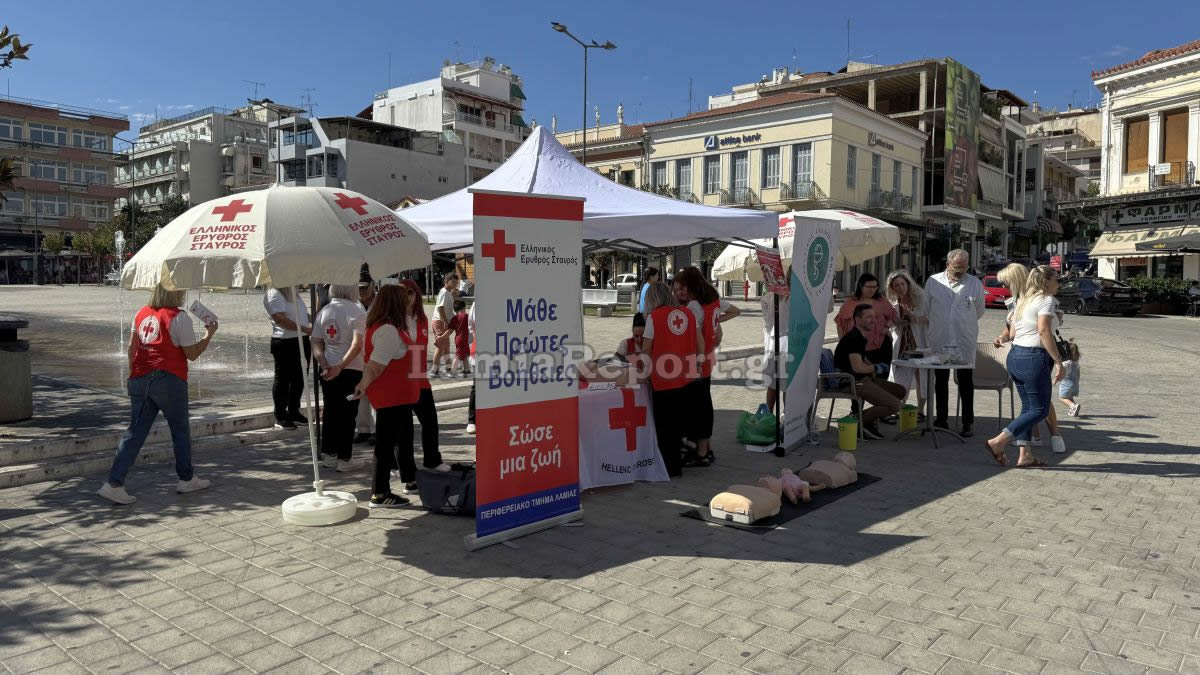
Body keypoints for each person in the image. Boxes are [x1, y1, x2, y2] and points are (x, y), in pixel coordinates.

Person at [98, 284, 216, 505]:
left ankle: (114, 483)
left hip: (140, 378)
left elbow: (131, 349)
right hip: (168, 379)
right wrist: (209, 335)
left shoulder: (141, 312)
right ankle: (186, 479)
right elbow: (192, 354)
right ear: (175, 291)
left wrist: (133, 375)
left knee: (135, 433)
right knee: (180, 430)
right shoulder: (179, 318)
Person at [983, 265, 1065, 467]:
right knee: (1040, 409)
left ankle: (1025, 454)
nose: (1059, 282)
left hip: (1016, 357)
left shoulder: (1023, 300)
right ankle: (998, 441)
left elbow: (1012, 334)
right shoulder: (1044, 300)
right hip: (1033, 358)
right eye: (1057, 278)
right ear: (1046, 282)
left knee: (1028, 407)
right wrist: (1058, 361)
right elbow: (1044, 332)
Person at [674, 266, 739, 466]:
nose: (680, 292)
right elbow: (735, 311)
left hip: (697, 361)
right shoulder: (713, 299)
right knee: (704, 404)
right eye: (677, 289)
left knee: (698, 408)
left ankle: (701, 453)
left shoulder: (694, 306)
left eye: (683, 287)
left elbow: (693, 335)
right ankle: (706, 449)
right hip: (709, 358)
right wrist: (717, 324)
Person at [641, 281, 702, 478]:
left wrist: (644, 372)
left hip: (664, 379)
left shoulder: (654, 317)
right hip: (687, 377)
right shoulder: (688, 314)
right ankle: (677, 464)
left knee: (665, 427)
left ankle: (669, 468)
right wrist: (698, 364)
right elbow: (700, 344)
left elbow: (646, 350)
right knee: (679, 424)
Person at [925, 250, 985, 437]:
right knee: (940, 381)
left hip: (963, 338)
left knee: (966, 381)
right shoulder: (933, 281)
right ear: (947, 265)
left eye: (964, 267)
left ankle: (968, 422)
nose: (960, 271)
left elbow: (979, 310)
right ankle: (941, 418)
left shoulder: (974, 284)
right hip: (941, 338)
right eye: (957, 267)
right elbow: (927, 309)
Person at [312, 284, 367, 472]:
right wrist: (340, 366)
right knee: (348, 415)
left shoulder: (324, 311)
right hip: (350, 369)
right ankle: (345, 458)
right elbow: (357, 344)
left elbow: (316, 341)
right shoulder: (357, 311)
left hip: (328, 369)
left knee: (330, 412)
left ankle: (329, 455)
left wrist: (324, 362)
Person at [833, 303, 906, 440]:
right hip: (851, 381)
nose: (873, 320)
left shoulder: (860, 336)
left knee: (900, 391)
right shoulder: (854, 338)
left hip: (862, 379)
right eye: (868, 317)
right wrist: (876, 368)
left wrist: (873, 367)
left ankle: (866, 419)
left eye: (874, 316)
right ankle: (859, 421)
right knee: (895, 405)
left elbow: (863, 361)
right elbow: (858, 368)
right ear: (857, 319)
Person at [263, 286, 312, 430]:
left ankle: (293, 411)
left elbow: (300, 314)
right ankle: (280, 415)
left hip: (301, 340)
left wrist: (315, 319)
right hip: (285, 342)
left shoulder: (292, 292)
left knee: (299, 377)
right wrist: (305, 329)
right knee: (283, 379)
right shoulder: (274, 293)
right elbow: (280, 319)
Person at [884, 270, 929, 420]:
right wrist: (895, 323)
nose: (900, 287)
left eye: (902, 284)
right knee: (900, 375)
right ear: (892, 287)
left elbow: (931, 318)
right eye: (896, 285)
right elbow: (889, 321)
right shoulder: (893, 302)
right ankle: (899, 408)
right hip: (903, 342)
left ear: (908, 283)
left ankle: (921, 410)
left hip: (919, 341)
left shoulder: (921, 297)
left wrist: (915, 317)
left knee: (921, 374)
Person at [834, 273, 897, 369]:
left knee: (881, 378)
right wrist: (844, 344)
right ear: (860, 286)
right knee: (861, 378)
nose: (873, 289)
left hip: (881, 346)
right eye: (869, 287)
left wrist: (887, 326)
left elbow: (892, 317)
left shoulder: (882, 301)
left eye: (875, 286)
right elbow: (840, 325)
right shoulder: (850, 303)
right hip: (856, 348)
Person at [762, 266, 791, 415]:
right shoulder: (794, 295)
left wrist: (769, 325)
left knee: (774, 383)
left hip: (774, 341)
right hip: (787, 343)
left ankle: (770, 415)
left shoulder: (774, 294)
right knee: (786, 384)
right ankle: (786, 416)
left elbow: (764, 305)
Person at [355, 270, 377, 443]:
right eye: (359, 288)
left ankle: (377, 430)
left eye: (364, 288)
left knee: (377, 391)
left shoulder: (381, 303)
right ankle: (363, 429)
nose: (361, 292)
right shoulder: (354, 304)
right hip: (359, 354)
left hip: (377, 353)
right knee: (360, 392)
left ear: (373, 286)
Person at [431, 272, 458, 377]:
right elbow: (440, 308)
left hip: (443, 321)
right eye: (453, 282)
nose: (456, 284)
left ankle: (448, 368)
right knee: (441, 346)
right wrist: (446, 321)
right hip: (440, 322)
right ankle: (435, 370)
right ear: (446, 281)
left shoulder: (448, 293)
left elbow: (449, 308)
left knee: (446, 346)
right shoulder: (444, 293)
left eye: (457, 282)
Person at [446, 299, 471, 376]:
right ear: (464, 307)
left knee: (463, 354)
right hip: (465, 339)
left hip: (458, 339)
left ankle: (466, 369)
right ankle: (453, 372)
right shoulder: (467, 316)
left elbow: (450, 331)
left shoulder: (455, 318)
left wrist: (442, 337)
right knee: (459, 356)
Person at [1058, 341, 1082, 417]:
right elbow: (1078, 375)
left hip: (1066, 383)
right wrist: (1077, 383)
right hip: (1075, 384)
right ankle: (1074, 409)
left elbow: (1060, 373)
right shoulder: (1076, 364)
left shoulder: (1065, 363)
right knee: (1070, 397)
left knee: (1062, 397)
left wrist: (1057, 379)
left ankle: (1073, 406)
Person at [465, 300, 477, 435]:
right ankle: (472, 420)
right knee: (477, 386)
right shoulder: (478, 302)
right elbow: (471, 325)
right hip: (480, 348)